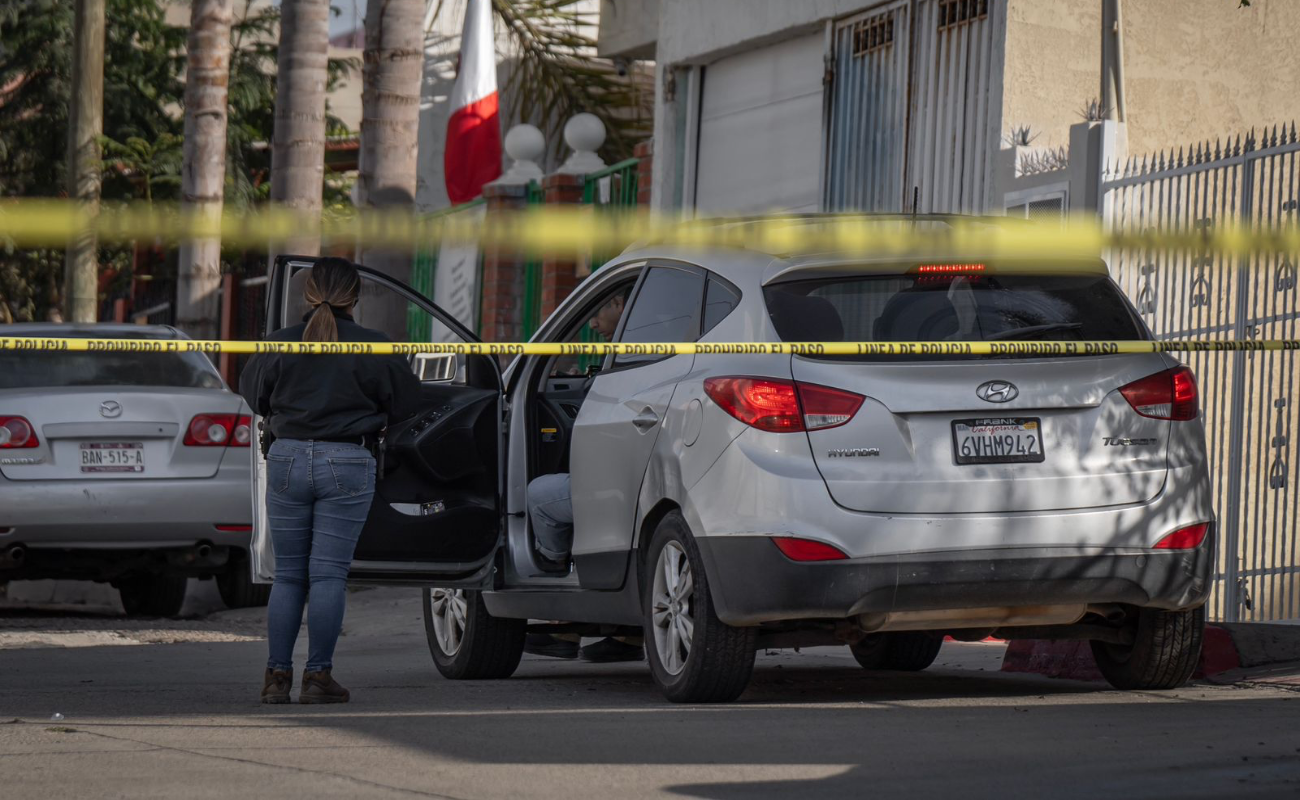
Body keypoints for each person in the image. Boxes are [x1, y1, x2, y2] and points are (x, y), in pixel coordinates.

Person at [240, 258, 418, 704]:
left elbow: (253, 396)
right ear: (355, 299)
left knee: (288, 576)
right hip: (348, 460)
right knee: (328, 575)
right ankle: (318, 676)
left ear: (306, 294)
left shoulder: (278, 343)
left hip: (286, 458)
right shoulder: (375, 346)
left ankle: (276, 677)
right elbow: (408, 403)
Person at [523, 288, 643, 664]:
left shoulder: (630, 352)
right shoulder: (661, 348)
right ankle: (627, 635)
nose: (592, 323)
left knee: (542, 494)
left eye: (598, 312)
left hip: (616, 487)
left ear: (620, 305)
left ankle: (562, 610)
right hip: (643, 487)